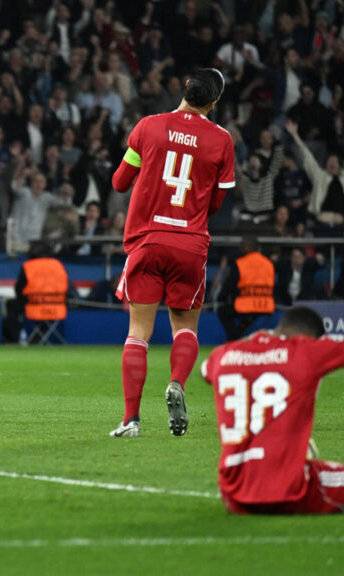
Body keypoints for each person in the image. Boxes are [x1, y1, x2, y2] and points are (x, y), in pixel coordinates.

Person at [110, 68, 235, 438]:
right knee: (185, 327)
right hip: (190, 245)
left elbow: (119, 182)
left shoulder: (148, 127)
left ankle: (131, 421)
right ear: (214, 102)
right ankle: (177, 381)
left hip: (147, 240)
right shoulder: (222, 140)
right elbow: (217, 202)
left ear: (185, 87)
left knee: (138, 332)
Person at [201, 303, 344, 515]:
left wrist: (256, 346)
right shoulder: (307, 350)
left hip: (233, 493)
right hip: (287, 490)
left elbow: (205, 370)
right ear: (309, 337)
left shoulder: (224, 354)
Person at [216, 236, 275, 341]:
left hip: (246, 305)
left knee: (223, 312)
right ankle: (240, 333)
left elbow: (229, 287)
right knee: (247, 319)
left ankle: (234, 339)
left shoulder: (240, 263)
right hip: (266, 305)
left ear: (248, 247)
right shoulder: (269, 263)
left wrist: (220, 298)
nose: (240, 248)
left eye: (242, 245)